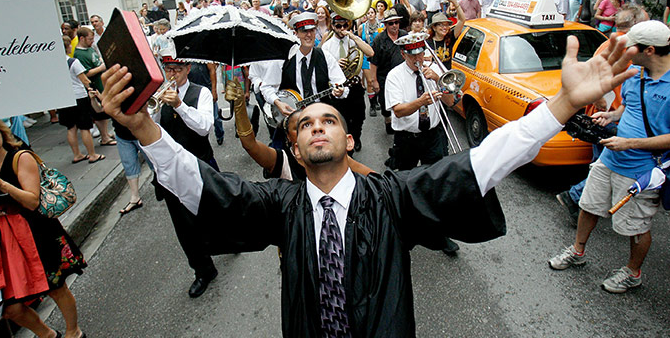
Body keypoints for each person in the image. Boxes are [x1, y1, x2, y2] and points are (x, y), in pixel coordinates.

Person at [99, 29, 637, 336]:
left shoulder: (393, 197)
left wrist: (563, 104)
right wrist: (144, 127)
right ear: (294, 147)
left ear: (350, 140)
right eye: (304, 123)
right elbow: (202, 187)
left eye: (328, 119)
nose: (316, 126)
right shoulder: (281, 206)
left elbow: (483, 162)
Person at [548, 21, 670, 294]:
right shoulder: (635, 73)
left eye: (631, 47)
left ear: (650, 50)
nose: (625, 50)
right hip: (610, 159)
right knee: (588, 206)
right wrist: (611, 115)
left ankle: (632, 272)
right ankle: (577, 252)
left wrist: (630, 142)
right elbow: (628, 109)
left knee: (635, 226)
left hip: (642, 171)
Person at [0, 120, 86, 338]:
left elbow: (32, 201)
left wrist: (3, 185)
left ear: (2, 133)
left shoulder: (20, 157)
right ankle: (47, 335)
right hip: (7, 241)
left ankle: (74, 332)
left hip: (38, 232)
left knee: (56, 287)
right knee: (9, 306)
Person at [555, 7, 641, 222]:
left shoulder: (607, 44)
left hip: (602, 114)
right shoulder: (629, 49)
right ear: (635, 24)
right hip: (613, 115)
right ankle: (576, 197)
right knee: (609, 162)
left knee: (600, 162)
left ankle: (587, 202)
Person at [384, 33, 460, 255]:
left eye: (421, 52)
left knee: (436, 183)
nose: (418, 57)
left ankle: (440, 234)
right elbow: (397, 110)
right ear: (403, 54)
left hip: (433, 136)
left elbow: (451, 101)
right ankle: (403, 230)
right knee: (405, 184)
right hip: (407, 138)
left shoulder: (434, 66)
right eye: (412, 54)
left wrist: (437, 79)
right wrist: (422, 101)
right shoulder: (394, 76)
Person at [150, 55, 219, 297]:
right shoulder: (159, 93)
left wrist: (179, 104)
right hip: (171, 172)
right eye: (168, 69)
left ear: (188, 69)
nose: (172, 74)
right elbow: (151, 129)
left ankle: (228, 239)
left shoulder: (201, 94)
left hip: (200, 165)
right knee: (184, 227)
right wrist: (156, 107)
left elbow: (204, 127)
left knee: (214, 213)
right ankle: (203, 270)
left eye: (177, 69)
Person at [225, 81, 373, 182]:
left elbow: (379, 183)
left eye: (327, 122)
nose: (316, 129)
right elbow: (251, 145)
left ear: (348, 141)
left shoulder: (339, 158)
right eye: (303, 126)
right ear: (290, 140)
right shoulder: (283, 162)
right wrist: (240, 107)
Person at [260, 12, 348, 123]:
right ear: (295, 33)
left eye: (312, 30)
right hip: (294, 117)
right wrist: (278, 102)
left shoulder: (325, 56)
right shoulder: (283, 60)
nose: (309, 35)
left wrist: (341, 91)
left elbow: (342, 84)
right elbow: (266, 87)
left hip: (322, 114)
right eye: (304, 31)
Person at [321, 14, 374, 153]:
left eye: (345, 25)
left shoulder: (353, 41)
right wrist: (335, 64)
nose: (342, 29)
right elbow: (322, 70)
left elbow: (370, 52)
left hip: (355, 84)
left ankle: (356, 137)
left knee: (359, 116)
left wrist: (354, 37)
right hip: (338, 87)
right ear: (333, 26)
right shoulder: (327, 46)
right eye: (338, 26)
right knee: (342, 117)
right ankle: (346, 142)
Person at [58, 36, 103, 164]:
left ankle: (77, 154)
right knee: (85, 127)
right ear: (67, 47)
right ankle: (92, 154)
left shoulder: (54, 64)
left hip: (65, 98)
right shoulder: (73, 62)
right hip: (79, 96)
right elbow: (84, 80)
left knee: (71, 127)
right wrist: (92, 89)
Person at [73, 27, 116, 147]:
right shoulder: (79, 54)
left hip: (102, 85)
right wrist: (101, 68)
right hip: (94, 86)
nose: (92, 41)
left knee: (105, 111)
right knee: (99, 114)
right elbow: (85, 73)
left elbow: (96, 59)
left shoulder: (89, 48)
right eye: (90, 39)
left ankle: (106, 133)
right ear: (82, 38)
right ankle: (104, 137)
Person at [369, 10, 407, 134]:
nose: (394, 25)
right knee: (385, 103)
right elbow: (374, 62)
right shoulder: (379, 39)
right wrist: (374, 81)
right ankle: (387, 120)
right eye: (391, 23)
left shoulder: (404, 35)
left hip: (403, 77)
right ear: (386, 25)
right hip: (384, 77)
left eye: (396, 22)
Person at [425, 0, 466, 70]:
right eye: (441, 25)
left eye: (446, 25)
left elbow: (462, 20)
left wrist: (455, 3)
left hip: (447, 77)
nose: (444, 27)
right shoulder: (427, 42)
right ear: (434, 27)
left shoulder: (450, 38)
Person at [358, 7, 384, 117]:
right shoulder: (362, 27)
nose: (370, 15)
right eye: (368, 13)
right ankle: (372, 105)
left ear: (375, 14)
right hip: (366, 56)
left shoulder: (382, 26)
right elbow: (359, 41)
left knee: (377, 80)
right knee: (369, 81)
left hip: (378, 57)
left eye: (372, 12)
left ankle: (377, 99)